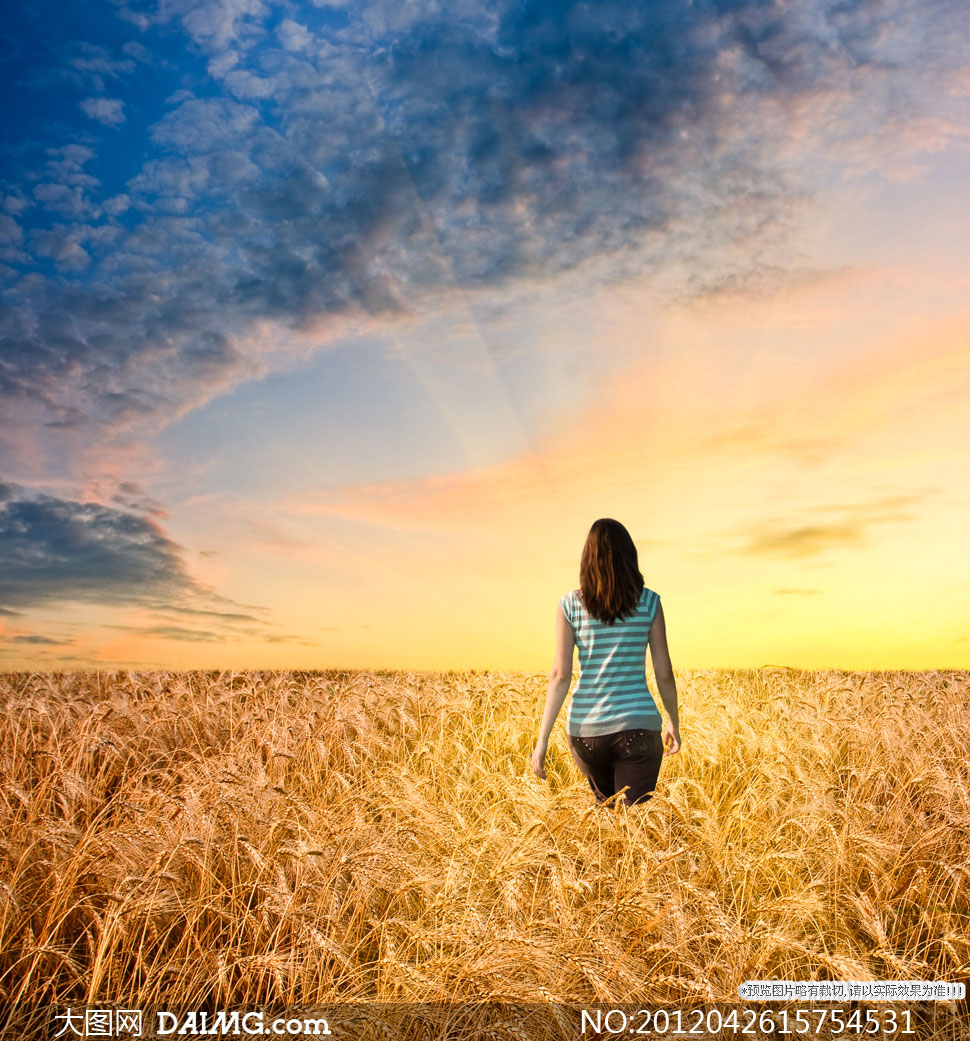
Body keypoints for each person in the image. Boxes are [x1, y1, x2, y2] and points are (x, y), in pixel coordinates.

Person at [531, 518, 681, 806]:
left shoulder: (569, 605)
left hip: (586, 732)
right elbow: (664, 673)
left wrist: (542, 740)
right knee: (635, 821)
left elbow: (561, 675)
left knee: (609, 816)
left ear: (587, 559)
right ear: (630, 556)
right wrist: (673, 721)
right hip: (638, 726)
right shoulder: (650, 603)